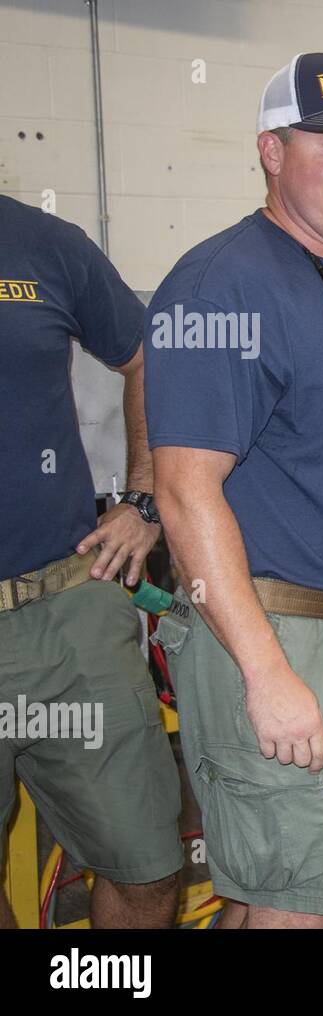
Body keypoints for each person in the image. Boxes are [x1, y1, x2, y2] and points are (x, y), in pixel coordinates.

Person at [144, 52, 323, 929]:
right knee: (299, 907)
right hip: (266, 634)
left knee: (278, 891)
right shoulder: (223, 284)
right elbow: (183, 490)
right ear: (272, 151)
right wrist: (265, 672)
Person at [0, 196, 182, 929]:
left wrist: (143, 500)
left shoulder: (43, 243)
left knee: (147, 870)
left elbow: (148, 357)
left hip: (66, 611)